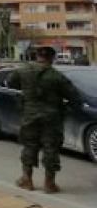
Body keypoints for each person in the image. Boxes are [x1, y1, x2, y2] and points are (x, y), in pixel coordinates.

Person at [8, 46, 83, 193]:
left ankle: (27, 180)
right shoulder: (57, 76)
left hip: (29, 115)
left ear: (37, 56)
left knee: (29, 146)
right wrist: (68, 107)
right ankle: (49, 184)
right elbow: (75, 98)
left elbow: (10, 82)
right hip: (52, 118)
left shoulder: (23, 71)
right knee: (51, 148)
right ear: (52, 58)